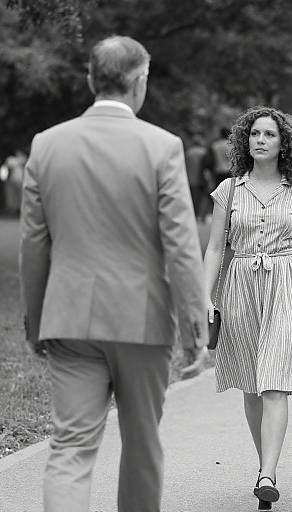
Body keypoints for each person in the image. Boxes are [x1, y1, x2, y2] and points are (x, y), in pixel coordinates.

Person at [19, 35, 207, 512]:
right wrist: (193, 324)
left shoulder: (46, 145)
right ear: (140, 81)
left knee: (70, 447)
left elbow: (34, 246)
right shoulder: (163, 147)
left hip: (70, 320)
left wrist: (37, 319)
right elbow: (181, 246)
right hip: (140, 321)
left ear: (90, 79)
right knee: (142, 445)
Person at [203, 106, 292, 510]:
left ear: (283, 143)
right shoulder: (229, 190)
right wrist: (205, 296)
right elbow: (213, 248)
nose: (260, 140)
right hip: (239, 286)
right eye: (254, 133)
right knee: (251, 385)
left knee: (274, 380)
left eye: (269, 135)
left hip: (286, 283)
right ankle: (265, 465)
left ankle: (267, 474)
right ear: (245, 141)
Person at [184, 133, 208, 221]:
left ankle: (193, 214)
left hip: (190, 178)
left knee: (192, 198)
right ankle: (201, 215)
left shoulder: (188, 152)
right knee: (202, 197)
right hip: (201, 178)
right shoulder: (204, 151)